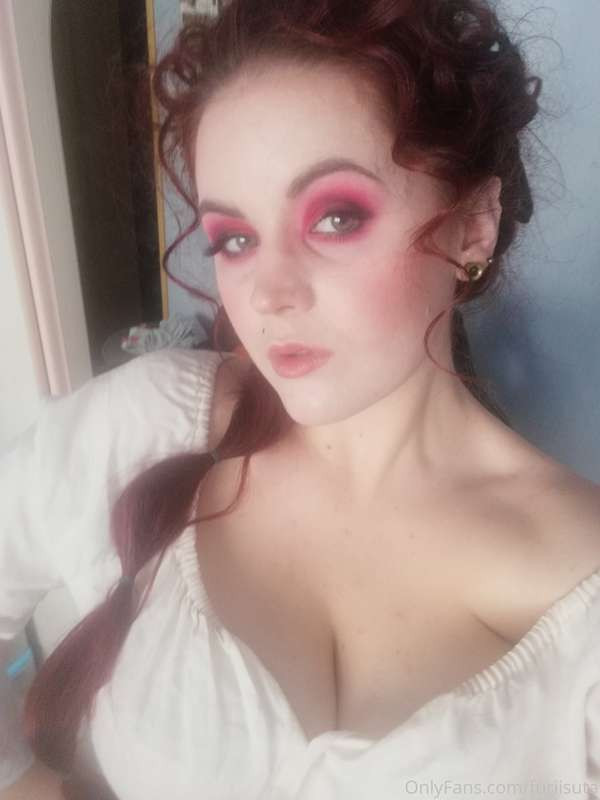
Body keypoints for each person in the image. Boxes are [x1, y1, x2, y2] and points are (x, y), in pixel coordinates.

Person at [2, 1, 600, 798]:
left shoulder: (582, 600)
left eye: (335, 218)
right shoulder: (143, 427)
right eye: (235, 239)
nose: (268, 294)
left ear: (473, 226)